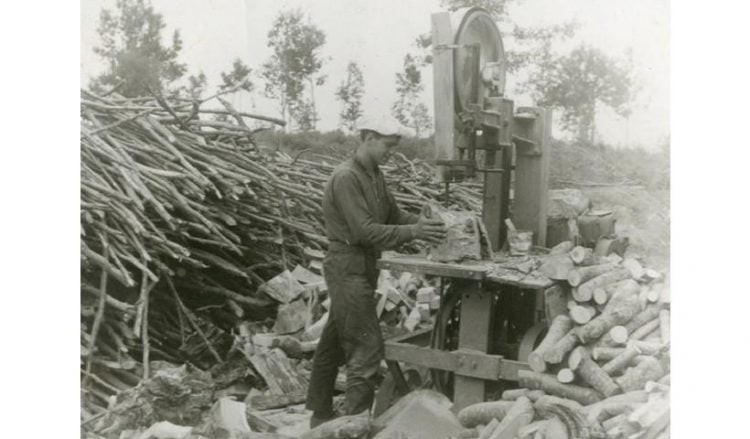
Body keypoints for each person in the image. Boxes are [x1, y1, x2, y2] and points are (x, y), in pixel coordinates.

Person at [305, 114, 447, 428]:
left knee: (332, 340)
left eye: (394, 147)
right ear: (368, 138)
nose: (391, 152)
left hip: (363, 267)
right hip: (347, 265)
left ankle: (319, 417)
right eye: (387, 146)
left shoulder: (374, 175)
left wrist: (422, 222)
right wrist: (415, 233)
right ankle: (353, 428)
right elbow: (363, 232)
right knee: (366, 349)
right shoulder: (346, 178)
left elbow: (393, 214)